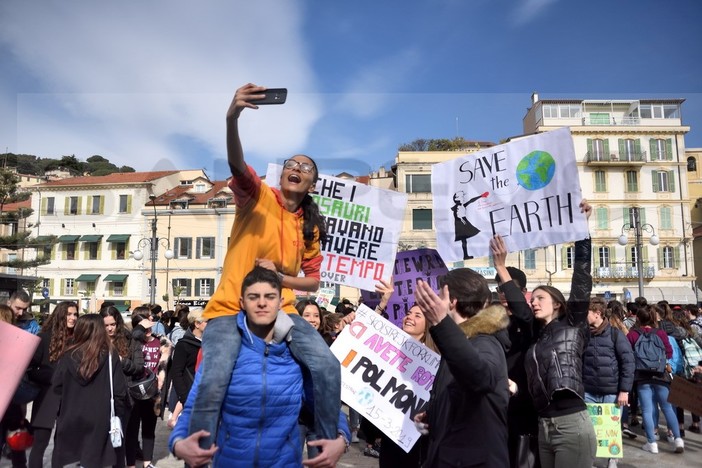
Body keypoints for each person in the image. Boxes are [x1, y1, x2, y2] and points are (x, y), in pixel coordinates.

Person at [191, 83, 340, 450]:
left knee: (328, 366)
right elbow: (236, 163)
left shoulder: (309, 226)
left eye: (306, 167)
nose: (297, 168)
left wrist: (280, 277)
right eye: (292, 163)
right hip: (229, 309)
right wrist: (232, 118)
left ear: (312, 183)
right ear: (282, 174)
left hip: (283, 313)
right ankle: (199, 450)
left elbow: (314, 283)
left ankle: (325, 443)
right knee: (216, 374)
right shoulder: (256, 196)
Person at [170, 266, 349, 467]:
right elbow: (196, 403)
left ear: (281, 302)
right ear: (242, 303)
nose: (262, 303)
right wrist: (177, 442)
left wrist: (342, 438)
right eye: (254, 296)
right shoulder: (225, 351)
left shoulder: (297, 354)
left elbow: (325, 399)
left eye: (270, 297)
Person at [521, 200, 596, 468]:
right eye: (532, 299)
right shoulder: (536, 336)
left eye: (540, 298)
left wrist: (582, 232)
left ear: (557, 303)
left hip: (571, 425)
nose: (534, 302)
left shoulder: (573, 324)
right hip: (544, 426)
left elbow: (582, 278)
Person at [413, 268, 510, 467]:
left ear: (451, 301)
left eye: (440, 294)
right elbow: (461, 392)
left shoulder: (486, 343)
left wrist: (441, 323)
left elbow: (479, 378)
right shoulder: (460, 341)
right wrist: (433, 413)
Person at [371, 277, 438, 467]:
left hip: (417, 435)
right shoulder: (388, 346)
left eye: (418, 316)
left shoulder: (435, 355)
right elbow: (367, 332)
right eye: (409, 313)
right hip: (390, 432)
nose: (409, 317)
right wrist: (383, 302)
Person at [51, 314, 130, 468]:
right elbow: (120, 391)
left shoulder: (67, 355)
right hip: (100, 417)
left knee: (71, 460)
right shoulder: (109, 355)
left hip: (70, 416)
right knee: (96, 461)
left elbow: (56, 386)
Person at [490, 236, 540, 468]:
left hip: (523, 405)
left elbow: (523, 312)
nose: (504, 294)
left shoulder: (531, 321)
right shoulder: (488, 320)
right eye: (499, 288)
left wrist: (501, 267)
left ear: (523, 292)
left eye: (508, 288)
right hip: (494, 404)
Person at [582, 297, 635, 468]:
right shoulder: (583, 334)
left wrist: (624, 390)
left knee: (610, 429)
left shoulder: (615, 334)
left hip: (612, 392)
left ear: (597, 314)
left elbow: (628, 362)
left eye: (586, 313)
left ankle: (612, 461)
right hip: (588, 391)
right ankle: (589, 461)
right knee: (589, 431)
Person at [26, 301, 78, 468]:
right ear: (60, 315)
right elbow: (30, 369)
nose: (73, 318)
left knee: (62, 446)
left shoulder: (78, 339)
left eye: (75, 314)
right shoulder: (43, 338)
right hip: (46, 397)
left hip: (70, 398)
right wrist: (52, 377)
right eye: (69, 314)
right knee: (39, 444)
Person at [627, 304, 684, 454]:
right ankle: (677, 439)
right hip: (660, 375)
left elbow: (627, 354)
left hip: (641, 376)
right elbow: (669, 353)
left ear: (637, 318)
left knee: (647, 409)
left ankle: (652, 442)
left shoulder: (632, 334)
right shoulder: (661, 333)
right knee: (667, 408)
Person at [124, 307, 172, 468]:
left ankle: (147, 462)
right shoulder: (131, 342)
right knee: (131, 430)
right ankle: (130, 463)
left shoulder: (162, 341)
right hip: (133, 392)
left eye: (150, 324)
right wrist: (136, 337)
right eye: (145, 325)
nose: (149, 329)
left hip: (152, 393)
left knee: (149, 429)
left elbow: (164, 368)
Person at [169, 308, 207, 430]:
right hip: (190, 397)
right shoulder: (183, 345)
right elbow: (176, 373)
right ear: (197, 324)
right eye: (207, 321)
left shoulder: (210, 343)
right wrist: (185, 398)